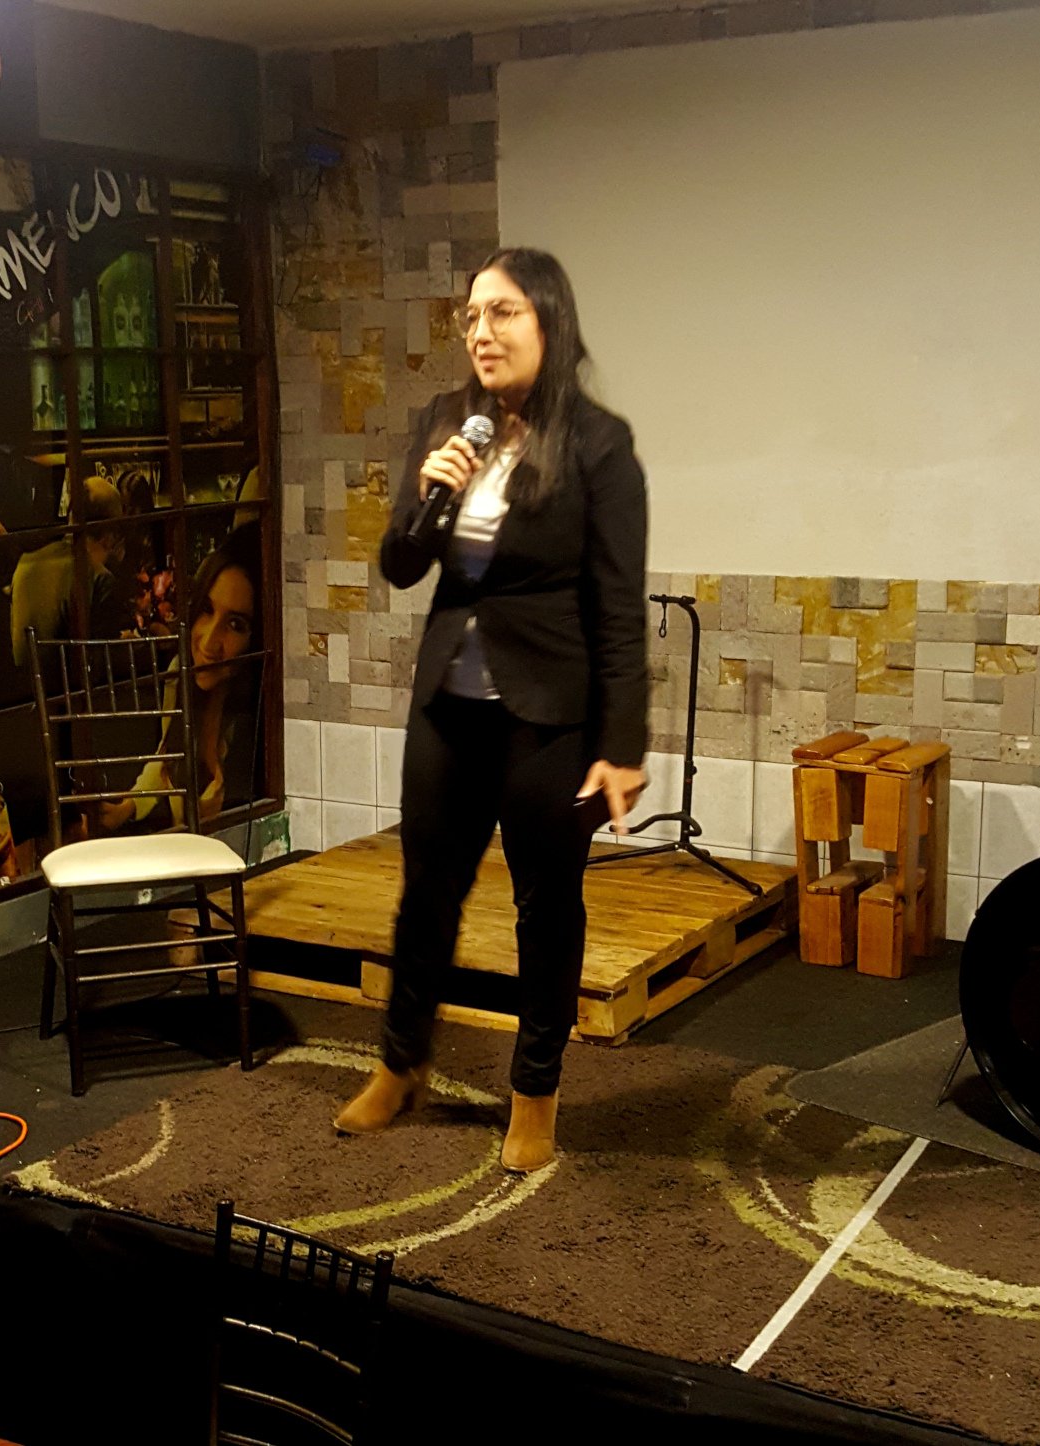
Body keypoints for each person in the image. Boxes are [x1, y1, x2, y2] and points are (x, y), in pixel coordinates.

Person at [333, 248, 648, 1172]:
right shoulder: (447, 422)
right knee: (425, 891)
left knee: (545, 909)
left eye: (502, 312)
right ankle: (401, 1064)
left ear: (549, 320)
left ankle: (534, 1094)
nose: (480, 331)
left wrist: (621, 744)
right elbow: (402, 565)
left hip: (549, 713)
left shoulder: (598, 444)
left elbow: (618, 605)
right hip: (448, 703)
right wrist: (424, 498)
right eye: (471, 315)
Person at [98, 526, 262, 833]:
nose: (209, 642)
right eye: (206, 610)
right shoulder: (180, 671)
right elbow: (167, 753)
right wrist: (128, 807)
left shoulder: (256, 717)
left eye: (235, 624)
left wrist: (209, 821)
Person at [9, 475, 126, 667]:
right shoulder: (98, 577)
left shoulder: (27, 561)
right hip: (69, 680)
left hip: (24, 680)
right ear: (110, 535)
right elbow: (102, 662)